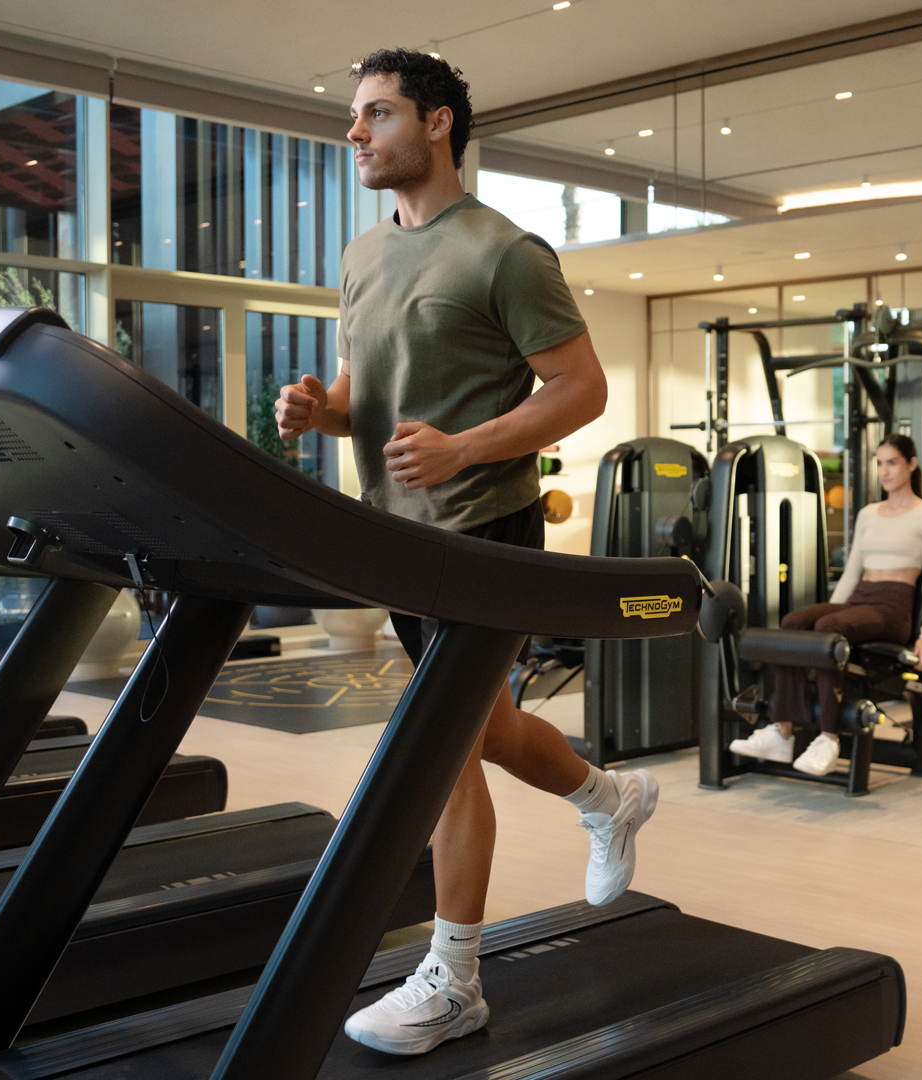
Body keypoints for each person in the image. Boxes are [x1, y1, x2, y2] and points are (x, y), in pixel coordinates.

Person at [273, 49, 654, 1057]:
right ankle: (609, 797)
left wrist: (465, 447)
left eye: (378, 113)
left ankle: (455, 978)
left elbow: (581, 388)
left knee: (439, 744)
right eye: (355, 116)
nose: (355, 132)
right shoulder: (361, 255)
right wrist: (318, 409)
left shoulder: (506, 252)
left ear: (437, 122)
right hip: (394, 535)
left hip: (484, 528)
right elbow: (359, 394)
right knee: (483, 730)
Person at [729, 434, 922, 776]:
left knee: (829, 628)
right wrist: (831, 615)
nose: (884, 471)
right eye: (879, 463)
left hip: (894, 607)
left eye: (892, 462)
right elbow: (852, 572)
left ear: (912, 464)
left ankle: (829, 739)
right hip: (861, 597)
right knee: (793, 622)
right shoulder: (869, 514)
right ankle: (782, 732)